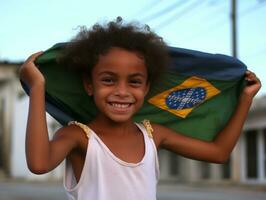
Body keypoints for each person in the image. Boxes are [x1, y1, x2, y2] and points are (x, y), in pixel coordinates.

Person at [19, 17, 261, 200]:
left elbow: (218, 153)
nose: (122, 91)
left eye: (134, 81)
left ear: (146, 89)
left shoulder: (153, 134)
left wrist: (245, 100)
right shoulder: (79, 137)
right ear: (89, 85)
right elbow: (39, 164)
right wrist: (38, 86)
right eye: (108, 80)